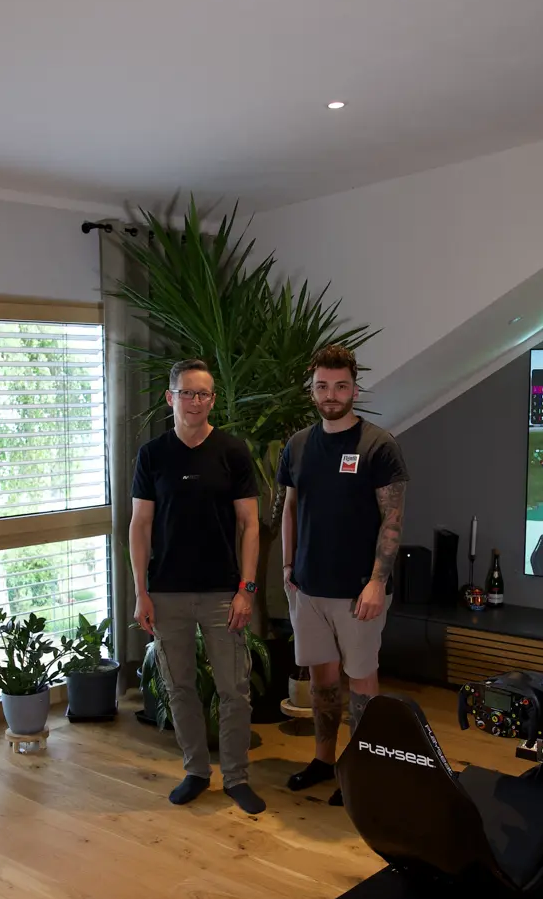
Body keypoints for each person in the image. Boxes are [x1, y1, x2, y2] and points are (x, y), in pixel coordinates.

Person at [129, 359, 266, 814]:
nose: (196, 402)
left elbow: (249, 525)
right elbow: (140, 525)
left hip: (222, 593)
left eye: (204, 394)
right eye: (187, 393)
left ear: (213, 400)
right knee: (180, 687)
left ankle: (236, 776)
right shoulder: (152, 455)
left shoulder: (232, 451)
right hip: (166, 592)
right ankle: (196, 771)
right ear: (170, 398)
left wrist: (246, 589)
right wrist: (141, 592)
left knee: (234, 688)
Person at [279, 345, 408, 806]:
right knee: (322, 682)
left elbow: (392, 520)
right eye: (322, 386)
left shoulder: (378, 445)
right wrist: (288, 567)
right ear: (312, 391)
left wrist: (377, 581)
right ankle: (323, 759)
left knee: (362, 682)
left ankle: (364, 768)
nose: (331, 394)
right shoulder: (297, 446)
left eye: (340, 385)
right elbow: (291, 508)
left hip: (359, 591)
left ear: (354, 388)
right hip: (309, 588)